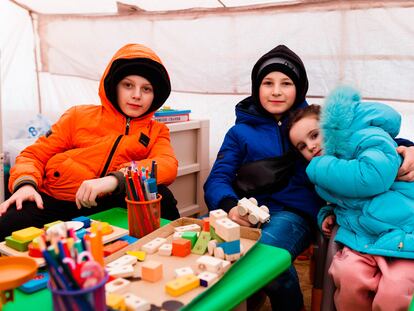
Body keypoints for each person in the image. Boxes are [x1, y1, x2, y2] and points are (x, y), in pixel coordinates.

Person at [0, 43, 180, 241]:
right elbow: (33, 154)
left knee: (163, 197)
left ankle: (170, 248)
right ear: (114, 86)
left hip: (108, 204)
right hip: (54, 200)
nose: (136, 95)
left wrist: (114, 179)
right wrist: (26, 184)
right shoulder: (78, 116)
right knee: (7, 224)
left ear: (155, 96)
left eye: (146, 89)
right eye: (128, 85)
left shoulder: (157, 130)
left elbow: (167, 164)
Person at [204, 44, 325, 311]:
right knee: (200, 247)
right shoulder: (239, 133)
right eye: (268, 82)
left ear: (300, 88)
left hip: (293, 213)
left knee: (266, 258)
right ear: (257, 87)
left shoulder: (315, 122)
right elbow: (217, 179)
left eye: (286, 82)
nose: (277, 91)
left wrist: (405, 148)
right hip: (247, 212)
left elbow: (362, 138)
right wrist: (230, 207)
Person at [289, 86, 414, 311]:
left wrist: (320, 167)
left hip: (403, 232)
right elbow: (345, 200)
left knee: (394, 290)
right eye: (303, 147)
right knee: (347, 275)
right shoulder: (331, 171)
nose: (311, 147)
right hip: (363, 237)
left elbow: (374, 178)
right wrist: (328, 213)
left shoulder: (366, 135)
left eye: (315, 135)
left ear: (331, 127)